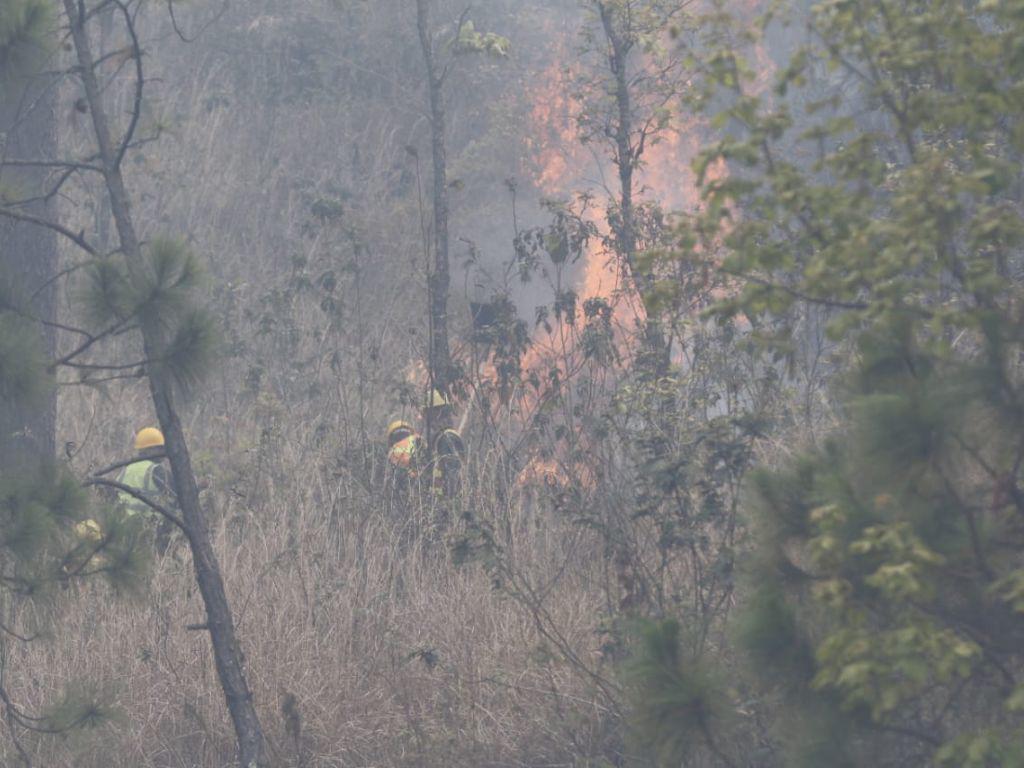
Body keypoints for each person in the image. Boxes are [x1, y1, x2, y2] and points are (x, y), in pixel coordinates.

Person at [116, 427, 177, 552]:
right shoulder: (157, 470)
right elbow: (177, 497)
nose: (163, 451)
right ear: (148, 450)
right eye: (159, 447)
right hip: (150, 529)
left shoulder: (126, 469)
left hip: (122, 527)